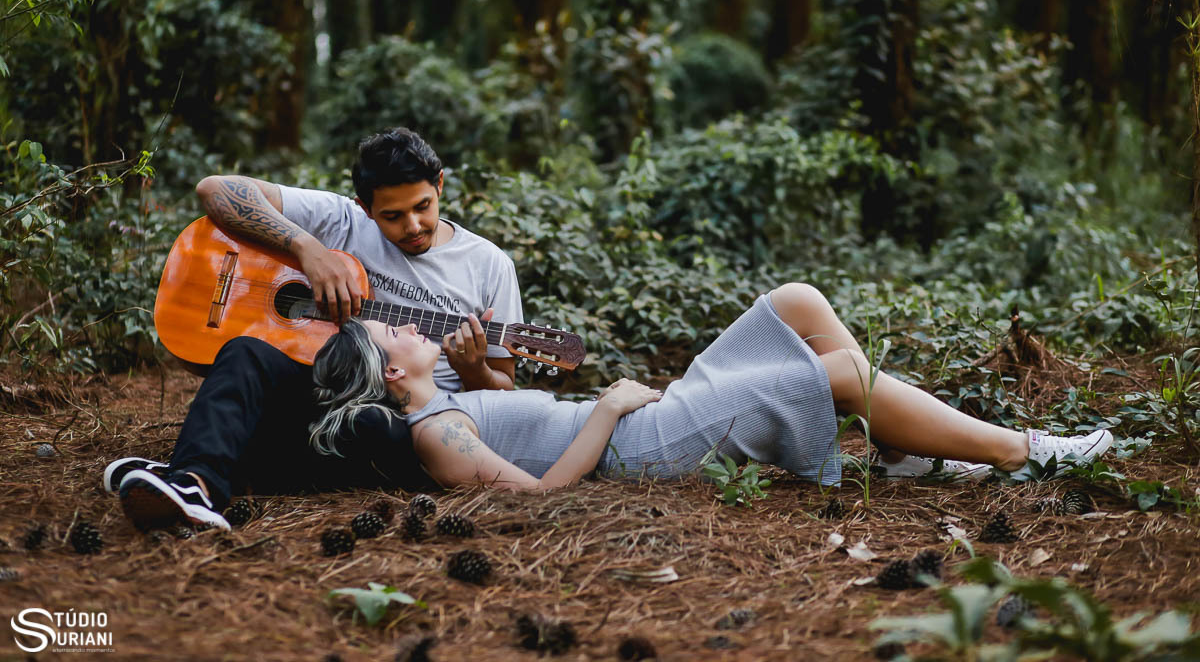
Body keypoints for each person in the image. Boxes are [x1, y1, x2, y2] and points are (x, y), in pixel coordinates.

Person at [107, 128, 524, 530]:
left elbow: (504, 390)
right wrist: (307, 249)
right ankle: (194, 485)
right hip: (319, 391)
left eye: (423, 207)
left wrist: (473, 371)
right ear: (365, 207)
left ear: (440, 185)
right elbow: (214, 189)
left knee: (374, 428)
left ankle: (204, 459)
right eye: (392, 216)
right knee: (245, 351)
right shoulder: (344, 220)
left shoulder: (489, 265)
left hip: (404, 420)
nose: (412, 226)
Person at [310, 283, 1113, 491]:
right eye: (396, 335)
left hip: (639, 422)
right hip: (640, 446)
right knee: (834, 374)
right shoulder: (435, 434)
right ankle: (1024, 452)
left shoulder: (450, 401)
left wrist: (494, 364)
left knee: (795, 302)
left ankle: (900, 441)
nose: (410, 329)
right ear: (390, 372)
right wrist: (607, 409)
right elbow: (540, 498)